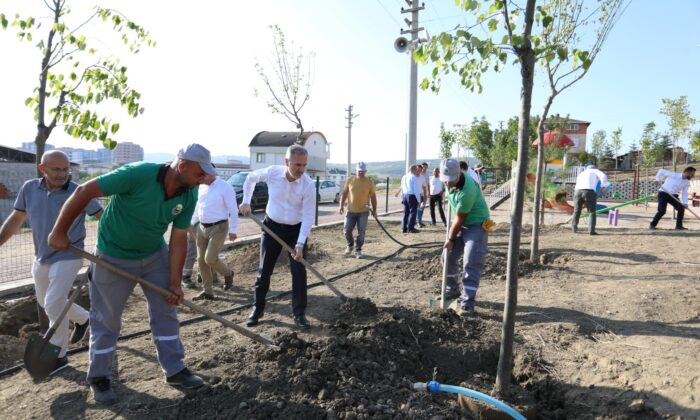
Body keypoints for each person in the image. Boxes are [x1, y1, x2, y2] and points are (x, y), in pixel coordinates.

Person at [48, 144, 215, 404]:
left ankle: (175, 369)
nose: (204, 179)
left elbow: (179, 238)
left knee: (166, 308)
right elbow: (84, 191)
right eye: (200, 174)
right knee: (107, 318)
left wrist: (174, 282)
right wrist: (60, 231)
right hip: (112, 254)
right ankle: (99, 376)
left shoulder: (189, 193)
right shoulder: (138, 174)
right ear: (182, 166)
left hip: (153, 255)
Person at [0, 151, 102, 375]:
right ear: (42, 168)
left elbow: (101, 216)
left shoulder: (79, 191)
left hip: (69, 254)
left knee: (54, 303)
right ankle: (85, 319)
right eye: (56, 169)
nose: (62, 174)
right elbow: (16, 219)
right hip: (42, 256)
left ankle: (60, 355)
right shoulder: (29, 188)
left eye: (65, 169)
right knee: (46, 301)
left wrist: (107, 246)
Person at [239, 144, 316, 330]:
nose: (301, 169)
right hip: (271, 227)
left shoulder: (308, 185)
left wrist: (299, 244)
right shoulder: (273, 173)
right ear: (286, 162)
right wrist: (246, 202)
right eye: (297, 164)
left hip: (296, 230)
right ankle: (257, 309)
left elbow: (307, 216)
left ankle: (299, 314)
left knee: (299, 272)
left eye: (304, 165)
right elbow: (250, 178)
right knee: (264, 270)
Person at [440, 159, 490, 315]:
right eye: (445, 181)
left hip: (478, 224)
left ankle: (468, 301)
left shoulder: (467, 190)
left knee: (471, 261)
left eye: (450, 181)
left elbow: (460, 218)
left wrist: (451, 238)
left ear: (459, 174)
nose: (447, 184)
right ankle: (452, 290)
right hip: (461, 222)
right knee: (447, 256)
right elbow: (456, 214)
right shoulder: (448, 181)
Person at [190, 173, 238, 300]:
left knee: (210, 258)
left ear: (210, 173)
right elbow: (198, 206)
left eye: (202, 175)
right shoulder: (202, 187)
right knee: (201, 261)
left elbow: (233, 209)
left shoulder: (225, 187)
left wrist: (233, 230)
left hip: (219, 227)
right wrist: (191, 222)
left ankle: (228, 274)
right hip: (202, 227)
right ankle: (208, 292)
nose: (200, 179)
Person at [338, 161, 378, 258]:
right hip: (351, 211)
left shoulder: (369, 182)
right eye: (359, 171)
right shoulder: (350, 180)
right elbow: (344, 194)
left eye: (363, 171)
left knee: (361, 232)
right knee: (347, 230)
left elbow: (373, 197)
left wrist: (374, 210)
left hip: (363, 211)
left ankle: (358, 249)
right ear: (355, 171)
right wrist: (341, 206)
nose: (361, 173)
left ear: (366, 171)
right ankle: (350, 245)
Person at [571, 164, 608, 235]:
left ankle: (574, 228)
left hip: (577, 191)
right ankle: (591, 231)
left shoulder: (582, 173)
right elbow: (603, 176)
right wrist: (603, 186)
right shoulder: (595, 171)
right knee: (591, 212)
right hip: (589, 192)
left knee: (577, 210)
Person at [395, 165, 422, 233]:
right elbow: (416, 190)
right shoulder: (413, 177)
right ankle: (411, 228)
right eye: (416, 169)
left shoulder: (404, 177)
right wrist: (418, 200)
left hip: (405, 195)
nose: (417, 171)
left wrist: (402, 198)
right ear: (413, 169)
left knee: (406, 213)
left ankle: (404, 228)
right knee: (413, 213)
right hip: (412, 196)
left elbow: (402, 187)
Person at [416, 162, 430, 228]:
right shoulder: (417, 175)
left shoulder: (427, 174)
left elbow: (427, 184)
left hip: (424, 194)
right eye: (423, 167)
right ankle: (418, 222)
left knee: (422, 208)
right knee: (418, 209)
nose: (424, 168)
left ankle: (420, 221)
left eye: (425, 167)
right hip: (418, 194)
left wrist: (428, 193)